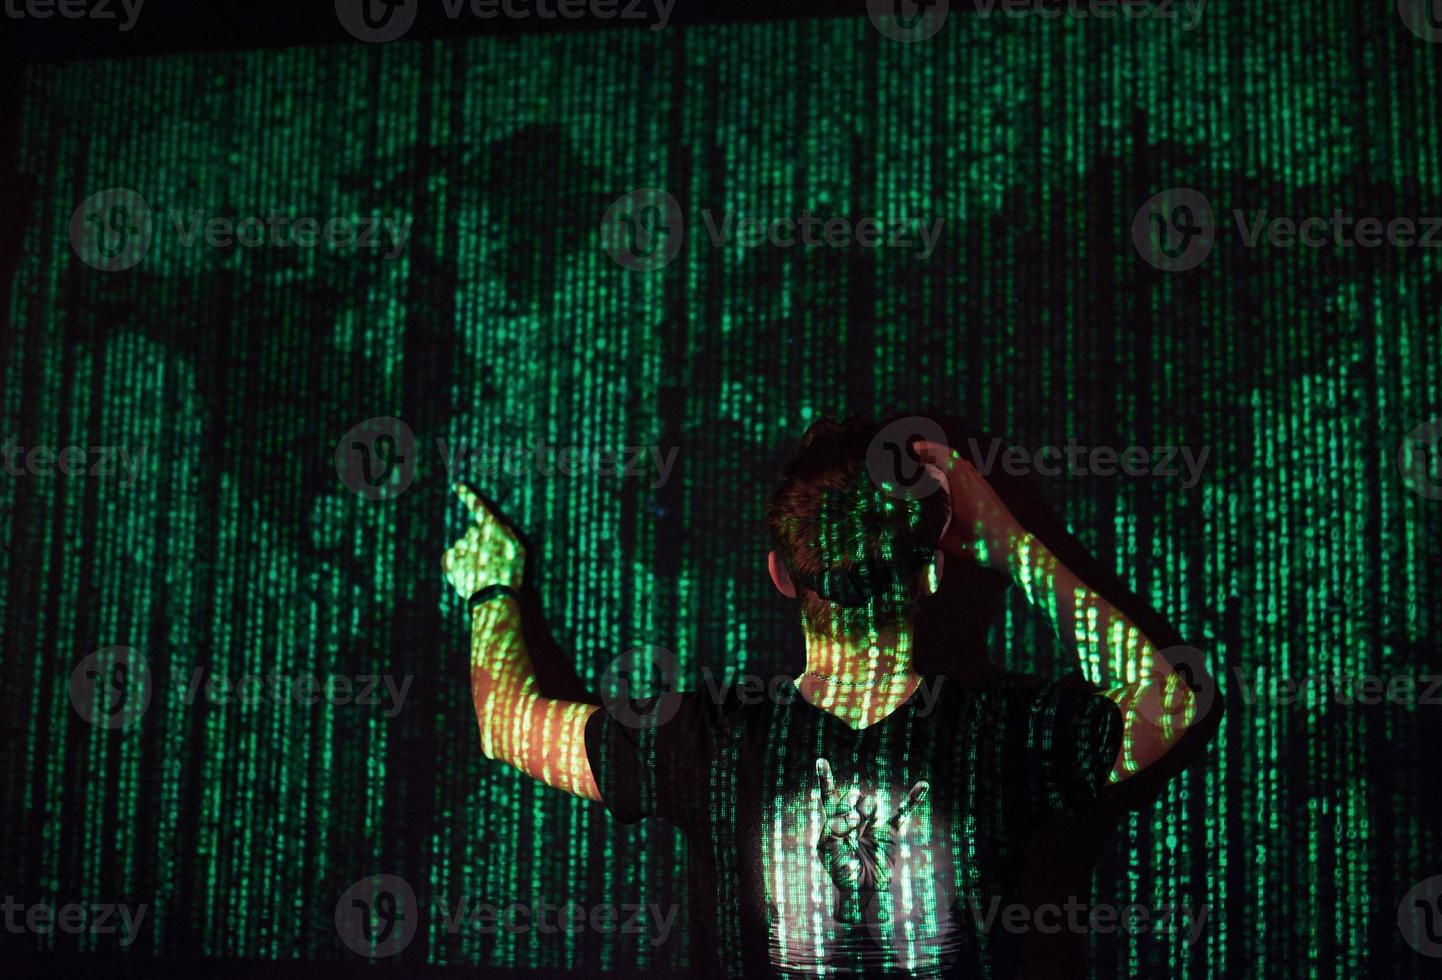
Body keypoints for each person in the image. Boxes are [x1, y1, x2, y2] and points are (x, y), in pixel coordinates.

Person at [443, 416, 1222, 978]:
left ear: (782, 576)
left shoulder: (703, 740)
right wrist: (1007, 542)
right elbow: (1172, 702)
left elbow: (503, 723)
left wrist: (491, 587)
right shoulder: (1008, 734)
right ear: (933, 571)